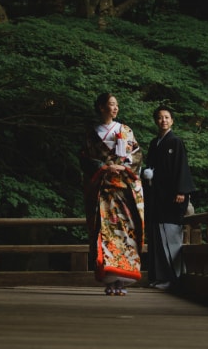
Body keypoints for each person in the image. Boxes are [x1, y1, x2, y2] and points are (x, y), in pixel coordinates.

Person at [79, 92, 145, 295]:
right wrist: (104, 167)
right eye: (111, 104)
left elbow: (136, 155)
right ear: (101, 107)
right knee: (105, 232)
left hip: (123, 190)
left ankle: (123, 280)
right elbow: (84, 158)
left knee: (126, 231)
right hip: (103, 190)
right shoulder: (92, 133)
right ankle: (109, 280)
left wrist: (123, 168)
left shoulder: (125, 130)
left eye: (117, 105)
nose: (115, 108)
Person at [142, 104, 195, 290]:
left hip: (173, 197)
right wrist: (146, 173)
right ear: (156, 121)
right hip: (157, 197)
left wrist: (182, 191)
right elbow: (150, 166)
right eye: (159, 117)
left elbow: (181, 168)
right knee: (157, 238)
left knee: (170, 237)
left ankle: (174, 279)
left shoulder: (175, 142)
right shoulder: (154, 143)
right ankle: (159, 276)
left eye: (166, 117)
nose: (163, 120)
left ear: (171, 120)